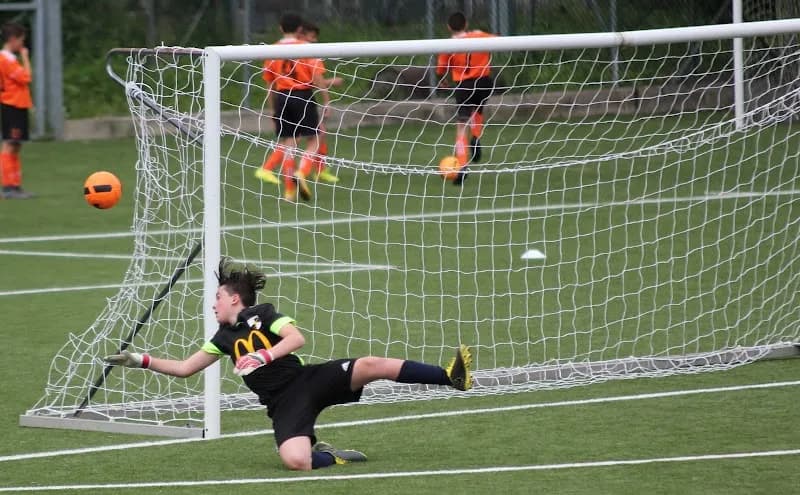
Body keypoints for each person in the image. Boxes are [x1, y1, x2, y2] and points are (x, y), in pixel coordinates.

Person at [105, 257, 473, 471]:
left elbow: (297, 339)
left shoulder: (263, 314)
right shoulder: (221, 339)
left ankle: (450, 377)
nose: (212, 304)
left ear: (235, 299)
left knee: (372, 363)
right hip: (283, 403)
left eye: (217, 297)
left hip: (308, 380)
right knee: (297, 462)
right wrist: (142, 360)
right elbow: (186, 368)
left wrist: (261, 355)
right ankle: (327, 454)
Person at [255, 13, 337, 202]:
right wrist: (326, 100)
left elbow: (270, 84)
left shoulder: (272, 50)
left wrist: (272, 108)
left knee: (289, 143)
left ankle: (289, 192)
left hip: (282, 98)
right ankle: (302, 171)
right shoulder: (306, 49)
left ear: (281, 29)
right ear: (300, 30)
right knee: (315, 138)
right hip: (303, 95)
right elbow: (317, 78)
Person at [436, 12, 495, 186]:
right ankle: (476, 136)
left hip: (464, 85)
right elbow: (499, 40)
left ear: (449, 27)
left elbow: (441, 68)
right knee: (478, 110)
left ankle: (462, 167)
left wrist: (442, 78)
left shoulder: (449, 45)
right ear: (466, 24)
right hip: (484, 82)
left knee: (462, 125)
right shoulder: (479, 35)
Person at [0, 22, 33, 199]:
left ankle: (15, 185)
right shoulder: (5, 59)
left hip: (17, 105)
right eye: (21, 40)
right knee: (9, 144)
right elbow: (26, 77)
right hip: (12, 105)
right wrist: (25, 56)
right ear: (12, 39)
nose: (22, 44)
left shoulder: (9, 59)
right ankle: (8, 187)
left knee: (15, 144)